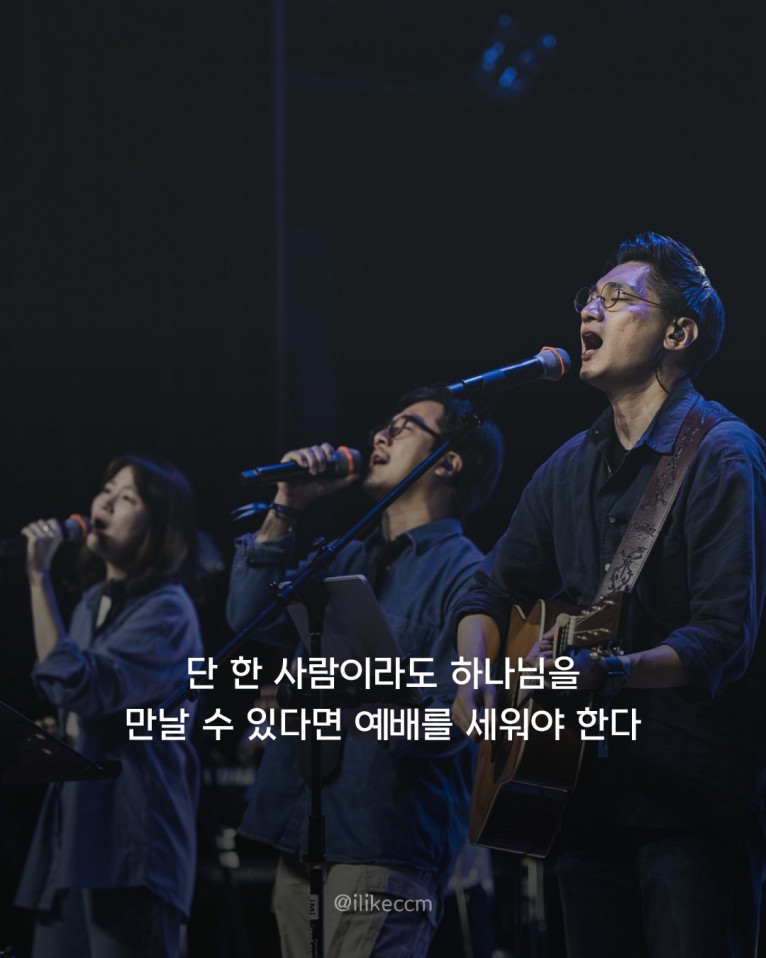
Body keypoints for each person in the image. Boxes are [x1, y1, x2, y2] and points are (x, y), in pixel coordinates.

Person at [451, 231, 766, 957]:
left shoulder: (722, 454)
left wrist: (611, 670)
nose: (590, 310)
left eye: (618, 298)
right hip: (579, 794)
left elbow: (723, 637)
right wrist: (474, 674)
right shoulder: (568, 467)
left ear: (677, 334)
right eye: (589, 298)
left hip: (689, 805)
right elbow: (487, 586)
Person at [226, 385, 503, 958]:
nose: (380, 435)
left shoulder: (469, 577)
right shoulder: (345, 554)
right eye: (384, 426)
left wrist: (363, 701)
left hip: (383, 849)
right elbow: (246, 618)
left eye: (403, 428)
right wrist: (288, 503)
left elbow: (457, 724)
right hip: (303, 837)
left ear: (448, 461)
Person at [15, 453, 204, 958]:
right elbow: (73, 696)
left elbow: (80, 685)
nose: (107, 502)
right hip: (71, 843)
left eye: (128, 498)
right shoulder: (90, 602)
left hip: (129, 845)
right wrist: (63, 730)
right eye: (107, 490)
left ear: (158, 527)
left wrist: (37, 579)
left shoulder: (168, 609)